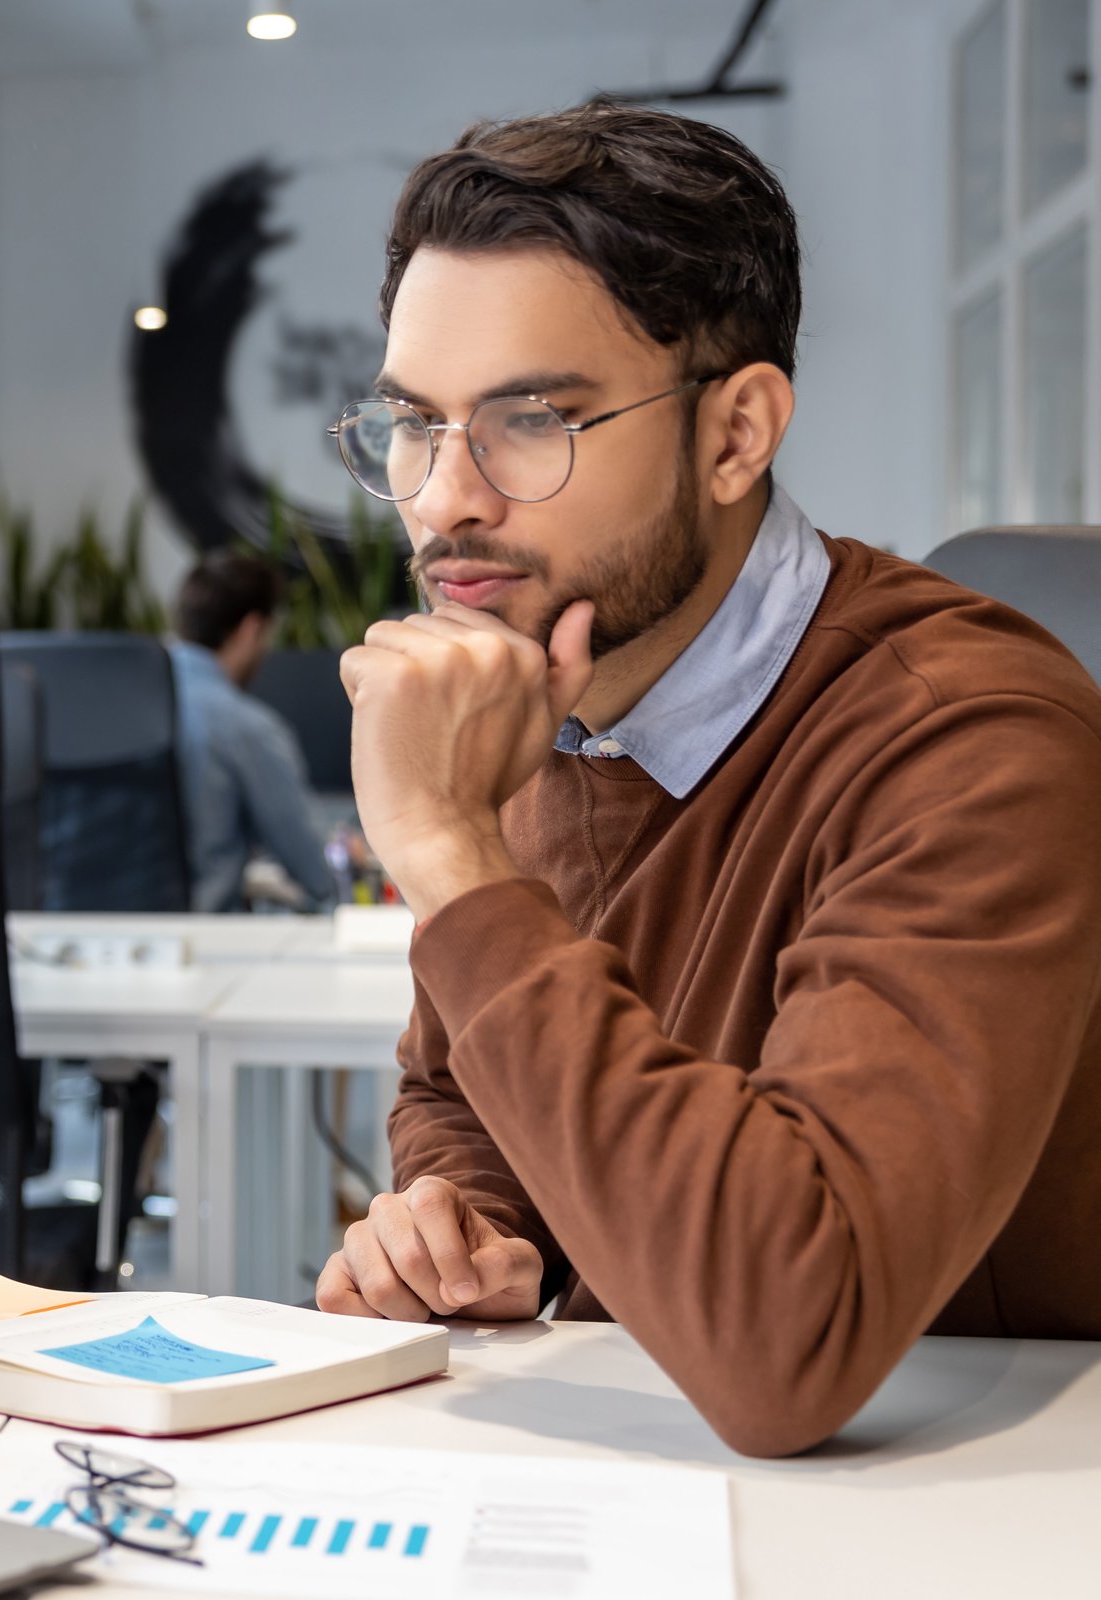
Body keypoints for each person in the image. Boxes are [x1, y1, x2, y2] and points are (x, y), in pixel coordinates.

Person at [312, 102, 1101, 1457]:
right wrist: (472, 1222)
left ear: (738, 435)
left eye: (530, 421)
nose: (443, 501)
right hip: (649, 1478)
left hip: (978, 1513)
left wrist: (445, 855)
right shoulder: (546, 679)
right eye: (413, 427)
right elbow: (458, 1087)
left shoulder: (973, 742)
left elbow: (792, 1337)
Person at [167, 550, 337, 911]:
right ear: (252, 629)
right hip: (206, 947)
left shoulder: (120, 706)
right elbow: (314, 872)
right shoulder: (245, 727)